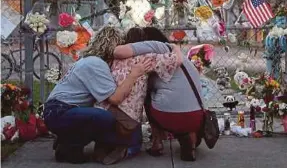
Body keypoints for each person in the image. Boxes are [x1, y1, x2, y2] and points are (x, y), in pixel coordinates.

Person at [43, 26, 152, 164]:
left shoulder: (89, 60)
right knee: (104, 118)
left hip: (58, 111)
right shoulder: (96, 64)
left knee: (107, 118)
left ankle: (68, 141)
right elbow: (115, 98)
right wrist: (134, 74)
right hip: (60, 112)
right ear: (113, 47)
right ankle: (71, 145)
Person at [114, 27, 204, 161]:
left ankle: (157, 143)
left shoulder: (154, 48)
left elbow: (118, 52)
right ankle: (188, 137)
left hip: (169, 115)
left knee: (148, 96)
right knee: (176, 97)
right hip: (198, 116)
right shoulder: (176, 55)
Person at [96, 27, 183, 157]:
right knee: (136, 145)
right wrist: (175, 47)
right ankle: (126, 150)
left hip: (103, 109)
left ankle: (107, 144)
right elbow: (178, 60)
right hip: (126, 117)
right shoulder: (145, 58)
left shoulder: (113, 59)